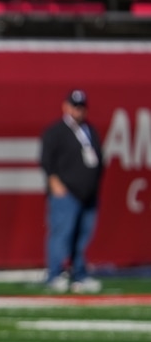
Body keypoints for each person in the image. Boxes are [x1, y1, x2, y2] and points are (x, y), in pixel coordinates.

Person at [40, 89, 104, 294]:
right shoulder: (57, 131)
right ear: (66, 107)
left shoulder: (90, 130)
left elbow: (98, 158)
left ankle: (79, 273)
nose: (78, 111)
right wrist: (54, 181)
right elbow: (46, 160)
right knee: (62, 233)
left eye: (81, 107)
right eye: (74, 106)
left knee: (82, 236)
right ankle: (55, 273)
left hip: (88, 193)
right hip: (66, 192)